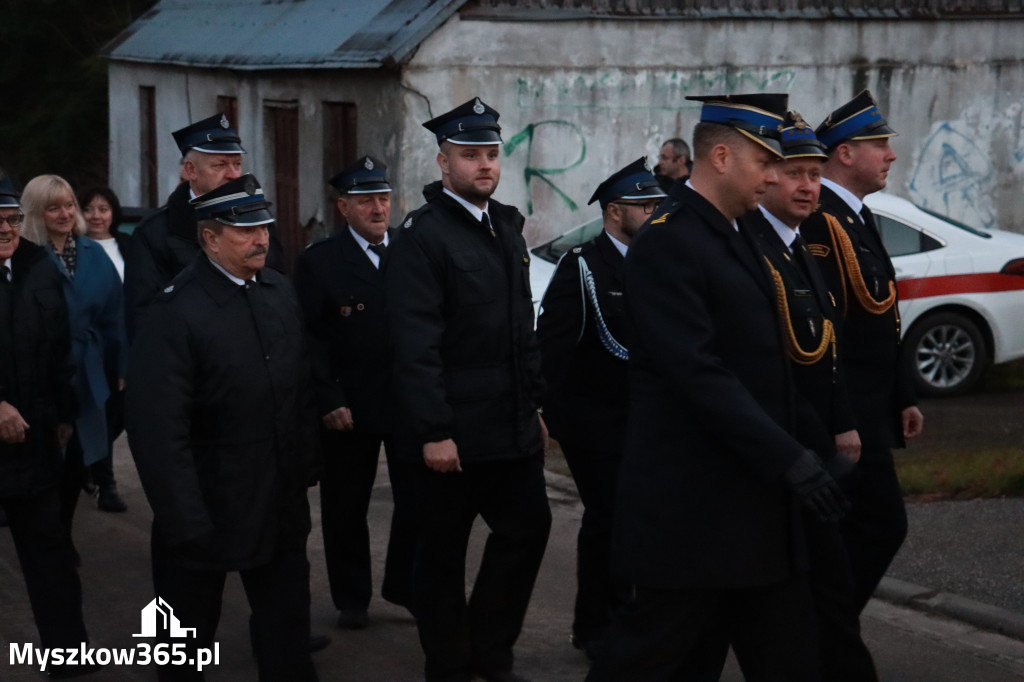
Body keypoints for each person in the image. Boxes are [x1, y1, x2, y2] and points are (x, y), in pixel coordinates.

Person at [587, 93, 849, 682]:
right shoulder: (668, 241)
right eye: (766, 164)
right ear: (723, 157)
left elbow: (769, 367)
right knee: (646, 660)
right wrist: (791, 459)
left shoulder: (739, 233)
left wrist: (816, 450)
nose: (775, 177)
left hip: (754, 508)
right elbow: (698, 373)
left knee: (791, 659)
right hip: (694, 514)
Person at [126, 174, 319, 682]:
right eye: (246, 230)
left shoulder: (278, 292)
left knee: (287, 642)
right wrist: (185, 520)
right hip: (205, 506)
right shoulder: (175, 313)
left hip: (276, 503)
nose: (261, 239)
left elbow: (299, 387)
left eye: (264, 227)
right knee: (183, 650)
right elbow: (158, 432)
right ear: (209, 238)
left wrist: (301, 473)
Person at [385, 97, 552, 682]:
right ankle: (449, 663)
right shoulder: (421, 238)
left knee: (529, 528)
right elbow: (413, 345)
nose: (483, 164)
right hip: (450, 434)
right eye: (469, 155)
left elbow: (521, 326)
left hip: (508, 425)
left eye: (489, 154)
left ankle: (490, 648)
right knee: (441, 555)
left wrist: (532, 405)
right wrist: (433, 431)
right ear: (442, 162)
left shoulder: (505, 225)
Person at [744, 112, 879, 681]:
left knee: (822, 583)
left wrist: (844, 422)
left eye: (815, 175)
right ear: (766, 178)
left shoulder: (799, 244)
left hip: (817, 437)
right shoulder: (753, 247)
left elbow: (829, 345)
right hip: (783, 441)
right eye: (795, 173)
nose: (808, 187)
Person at [535, 157, 665, 662]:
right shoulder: (584, 265)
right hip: (596, 422)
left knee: (639, 520)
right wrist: (548, 415)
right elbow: (554, 347)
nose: (654, 213)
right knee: (608, 518)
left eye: (657, 204)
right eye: (643, 205)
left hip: (648, 420)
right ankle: (594, 625)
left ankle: (629, 613)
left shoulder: (658, 261)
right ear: (614, 212)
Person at [800, 90, 924, 614]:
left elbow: (881, 317)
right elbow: (827, 333)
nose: (891, 155)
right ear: (845, 154)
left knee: (846, 532)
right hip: (846, 415)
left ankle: (821, 635)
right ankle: (826, 633)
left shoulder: (855, 216)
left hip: (871, 407)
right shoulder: (822, 222)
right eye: (880, 145)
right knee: (878, 525)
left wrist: (904, 395)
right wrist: (841, 416)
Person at [293, 155, 417, 629]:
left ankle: (404, 585)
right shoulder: (321, 262)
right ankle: (352, 597)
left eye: (383, 198)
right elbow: (309, 337)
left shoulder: (411, 251)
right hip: (349, 402)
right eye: (366, 200)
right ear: (343, 207)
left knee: (417, 501)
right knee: (346, 506)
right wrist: (328, 398)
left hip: (406, 401)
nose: (378, 208)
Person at [0, 178, 103, 680]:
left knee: (47, 550)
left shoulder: (38, 268)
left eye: (12, 219)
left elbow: (60, 349)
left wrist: (64, 416)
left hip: (35, 438)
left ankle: (68, 654)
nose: (6, 230)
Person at [21, 175, 126, 561]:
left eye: (69, 205)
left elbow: (115, 315)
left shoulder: (93, 253)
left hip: (88, 370)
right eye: (53, 207)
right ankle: (45, 540)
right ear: (35, 213)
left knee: (79, 458)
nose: (65, 214)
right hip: (40, 374)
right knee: (46, 460)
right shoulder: (24, 255)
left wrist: (121, 365)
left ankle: (63, 536)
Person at [124, 112, 284, 338]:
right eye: (220, 165)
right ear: (191, 171)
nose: (232, 174)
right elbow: (145, 317)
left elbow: (278, 289)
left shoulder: (259, 220)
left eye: (237, 164)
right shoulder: (155, 232)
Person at [78, 186, 130, 513]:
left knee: (120, 414)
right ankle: (106, 485)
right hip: (89, 345)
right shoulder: (74, 249)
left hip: (123, 344)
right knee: (95, 409)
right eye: (89, 209)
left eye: (104, 209)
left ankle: (88, 459)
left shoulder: (129, 246)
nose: (97, 216)